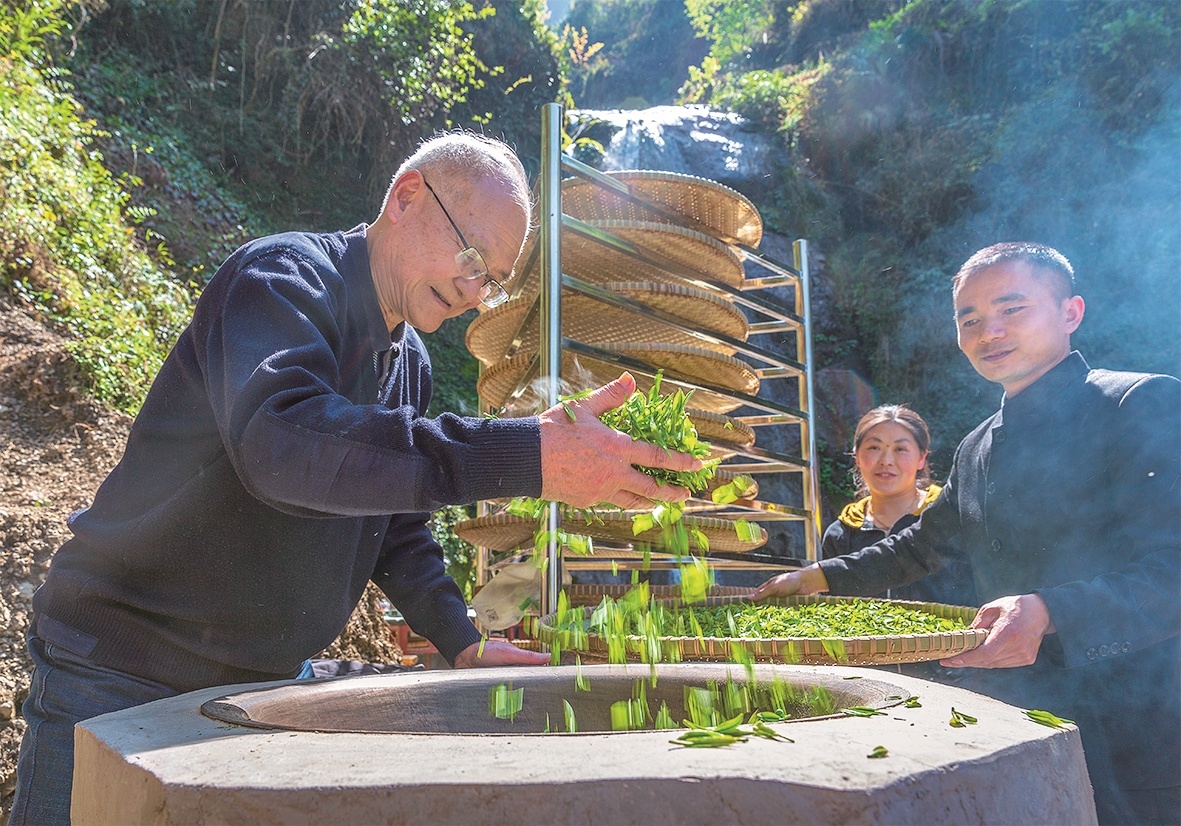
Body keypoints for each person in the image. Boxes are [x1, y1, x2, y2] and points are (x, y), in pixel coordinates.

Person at [8, 132, 703, 825]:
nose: (473, 291)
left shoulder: (412, 364)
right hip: (117, 674)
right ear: (406, 197)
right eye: (471, 257)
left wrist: (458, 636)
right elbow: (281, 448)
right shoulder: (279, 282)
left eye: (490, 279)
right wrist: (528, 455)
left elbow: (394, 527)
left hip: (257, 687)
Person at [752, 242, 1180, 824]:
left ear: (1071, 312)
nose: (988, 332)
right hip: (1019, 717)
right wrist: (819, 575)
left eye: (1011, 309)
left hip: (1137, 724)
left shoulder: (1139, 402)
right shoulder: (979, 444)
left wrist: (1052, 610)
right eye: (969, 319)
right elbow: (925, 542)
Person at [822, 403, 975, 608]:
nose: (886, 461)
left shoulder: (947, 519)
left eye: (900, 449)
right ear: (857, 456)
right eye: (874, 448)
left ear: (921, 458)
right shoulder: (841, 534)